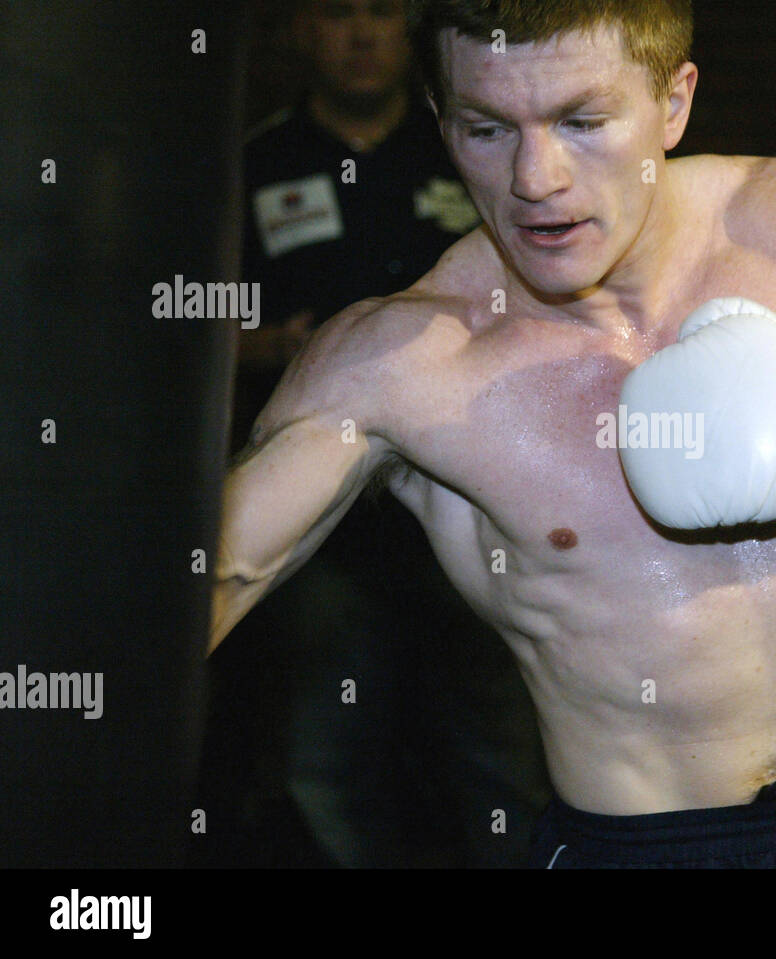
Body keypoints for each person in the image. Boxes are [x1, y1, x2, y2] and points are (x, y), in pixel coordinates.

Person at [211, 0, 776, 869]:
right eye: (487, 129)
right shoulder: (399, 363)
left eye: (583, 121)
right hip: (643, 848)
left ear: (674, 102)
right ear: (441, 121)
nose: (536, 177)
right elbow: (187, 595)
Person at [204, 0, 548, 868]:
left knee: (504, 751)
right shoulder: (252, 163)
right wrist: (274, 344)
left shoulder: (475, 149)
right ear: (298, 31)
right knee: (320, 761)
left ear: (414, 30)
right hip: (321, 524)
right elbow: (180, 321)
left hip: (476, 506)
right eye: (336, 13)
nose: (361, 34)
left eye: (382, 12)